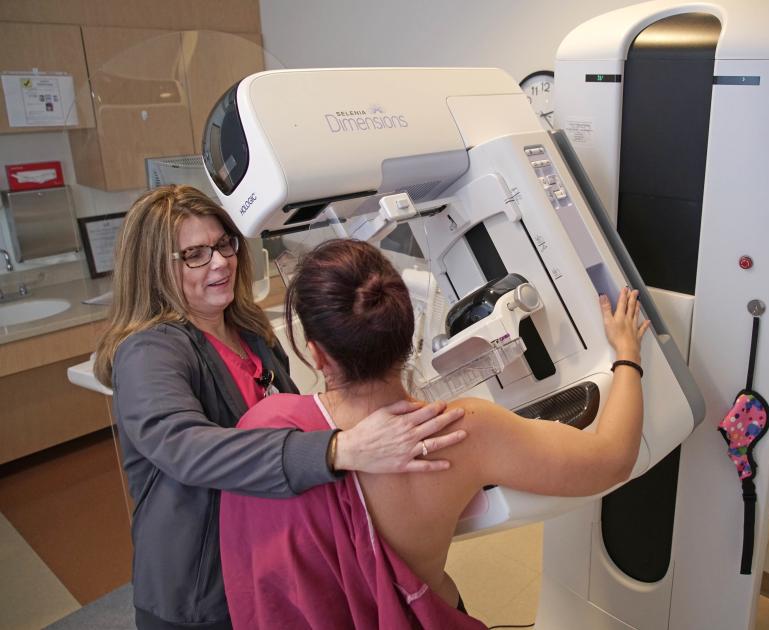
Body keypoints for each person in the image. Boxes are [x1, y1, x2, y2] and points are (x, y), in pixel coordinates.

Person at [219, 239, 650, 629]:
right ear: (408, 333)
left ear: (315, 353)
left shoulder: (266, 429)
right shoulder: (466, 429)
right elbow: (614, 459)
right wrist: (627, 354)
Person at [93, 186, 467, 630]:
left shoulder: (251, 334)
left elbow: (288, 419)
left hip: (264, 561)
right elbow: (185, 448)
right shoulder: (149, 352)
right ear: (154, 268)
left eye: (223, 244)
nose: (219, 262)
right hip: (201, 593)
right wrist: (338, 450)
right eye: (194, 254)